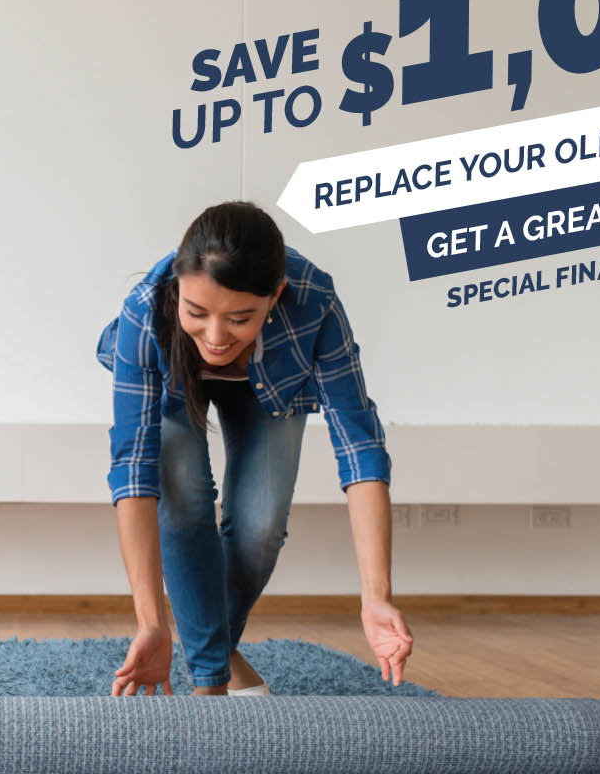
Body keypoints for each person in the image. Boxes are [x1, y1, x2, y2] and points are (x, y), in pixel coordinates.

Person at [98, 201, 413, 696]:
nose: (216, 337)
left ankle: (210, 653)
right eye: (196, 312)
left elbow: (360, 444)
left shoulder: (314, 301)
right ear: (178, 291)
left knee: (261, 527)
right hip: (173, 383)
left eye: (240, 318)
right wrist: (150, 622)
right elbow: (134, 469)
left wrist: (376, 596)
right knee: (183, 496)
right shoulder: (146, 307)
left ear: (275, 296)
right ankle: (210, 681)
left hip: (271, 386)